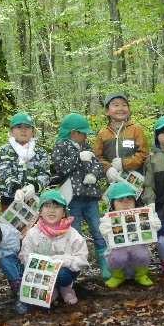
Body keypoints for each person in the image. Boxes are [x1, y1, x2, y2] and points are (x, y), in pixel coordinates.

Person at [51, 113, 108, 278]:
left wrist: (94, 174)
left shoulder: (86, 146)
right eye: (82, 133)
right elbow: (60, 167)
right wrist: (77, 157)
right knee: (75, 232)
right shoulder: (60, 145)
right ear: (73, 132)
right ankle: (75, 268)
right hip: (71, 198)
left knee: (98, 229)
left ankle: (105, 265)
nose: (85, 136)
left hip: (90, 196)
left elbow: (97, 163)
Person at [19, 190, 89, 305]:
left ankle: (66, 289)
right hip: (41, 272)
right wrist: (39, 263)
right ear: (40, 212)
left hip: (65, 271)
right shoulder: (32, 233)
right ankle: (50, 292)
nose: (52, 210)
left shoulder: (72, 234)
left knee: (62, 274)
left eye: (57, 207)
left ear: (64, 213)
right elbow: (24, 255)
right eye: (47, 206)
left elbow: (82, 259)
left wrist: (63, 260)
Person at [99, 182, 162, 288]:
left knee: (140, 253)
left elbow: (150, 239)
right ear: (112, 203)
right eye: (120, 200)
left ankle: (141, 275)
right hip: (118, 259)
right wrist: (106, 231)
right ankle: (117, 276)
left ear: (135, 201)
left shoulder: (143, 215)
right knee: (118, 256)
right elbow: (108, 241)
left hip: (138, 260)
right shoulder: (107, 219)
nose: (126, 203)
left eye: (130, 199)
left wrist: (154, 225)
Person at [0, 112, 51, 211]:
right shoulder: (4, 150)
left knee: (35, 226)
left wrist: (35, 187)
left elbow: (45, 173)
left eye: (27, 127)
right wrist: (15, 188)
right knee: (9, 226)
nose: (23, 130)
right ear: (11, 131)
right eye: (18, 127)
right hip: (9, 199)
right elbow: (4, 172)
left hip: (33, 200)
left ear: (33, 131)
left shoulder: (40, 151)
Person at [93, 92, 149, 185]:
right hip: (113, 181)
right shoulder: (103, 133)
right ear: (107, 111)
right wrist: (107, 168)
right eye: (116, 105)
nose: (120, 108)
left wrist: (124, 163)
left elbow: (143, 154)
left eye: (124, 105)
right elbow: (97, 156)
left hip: (134, 180)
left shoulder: (135, 129)